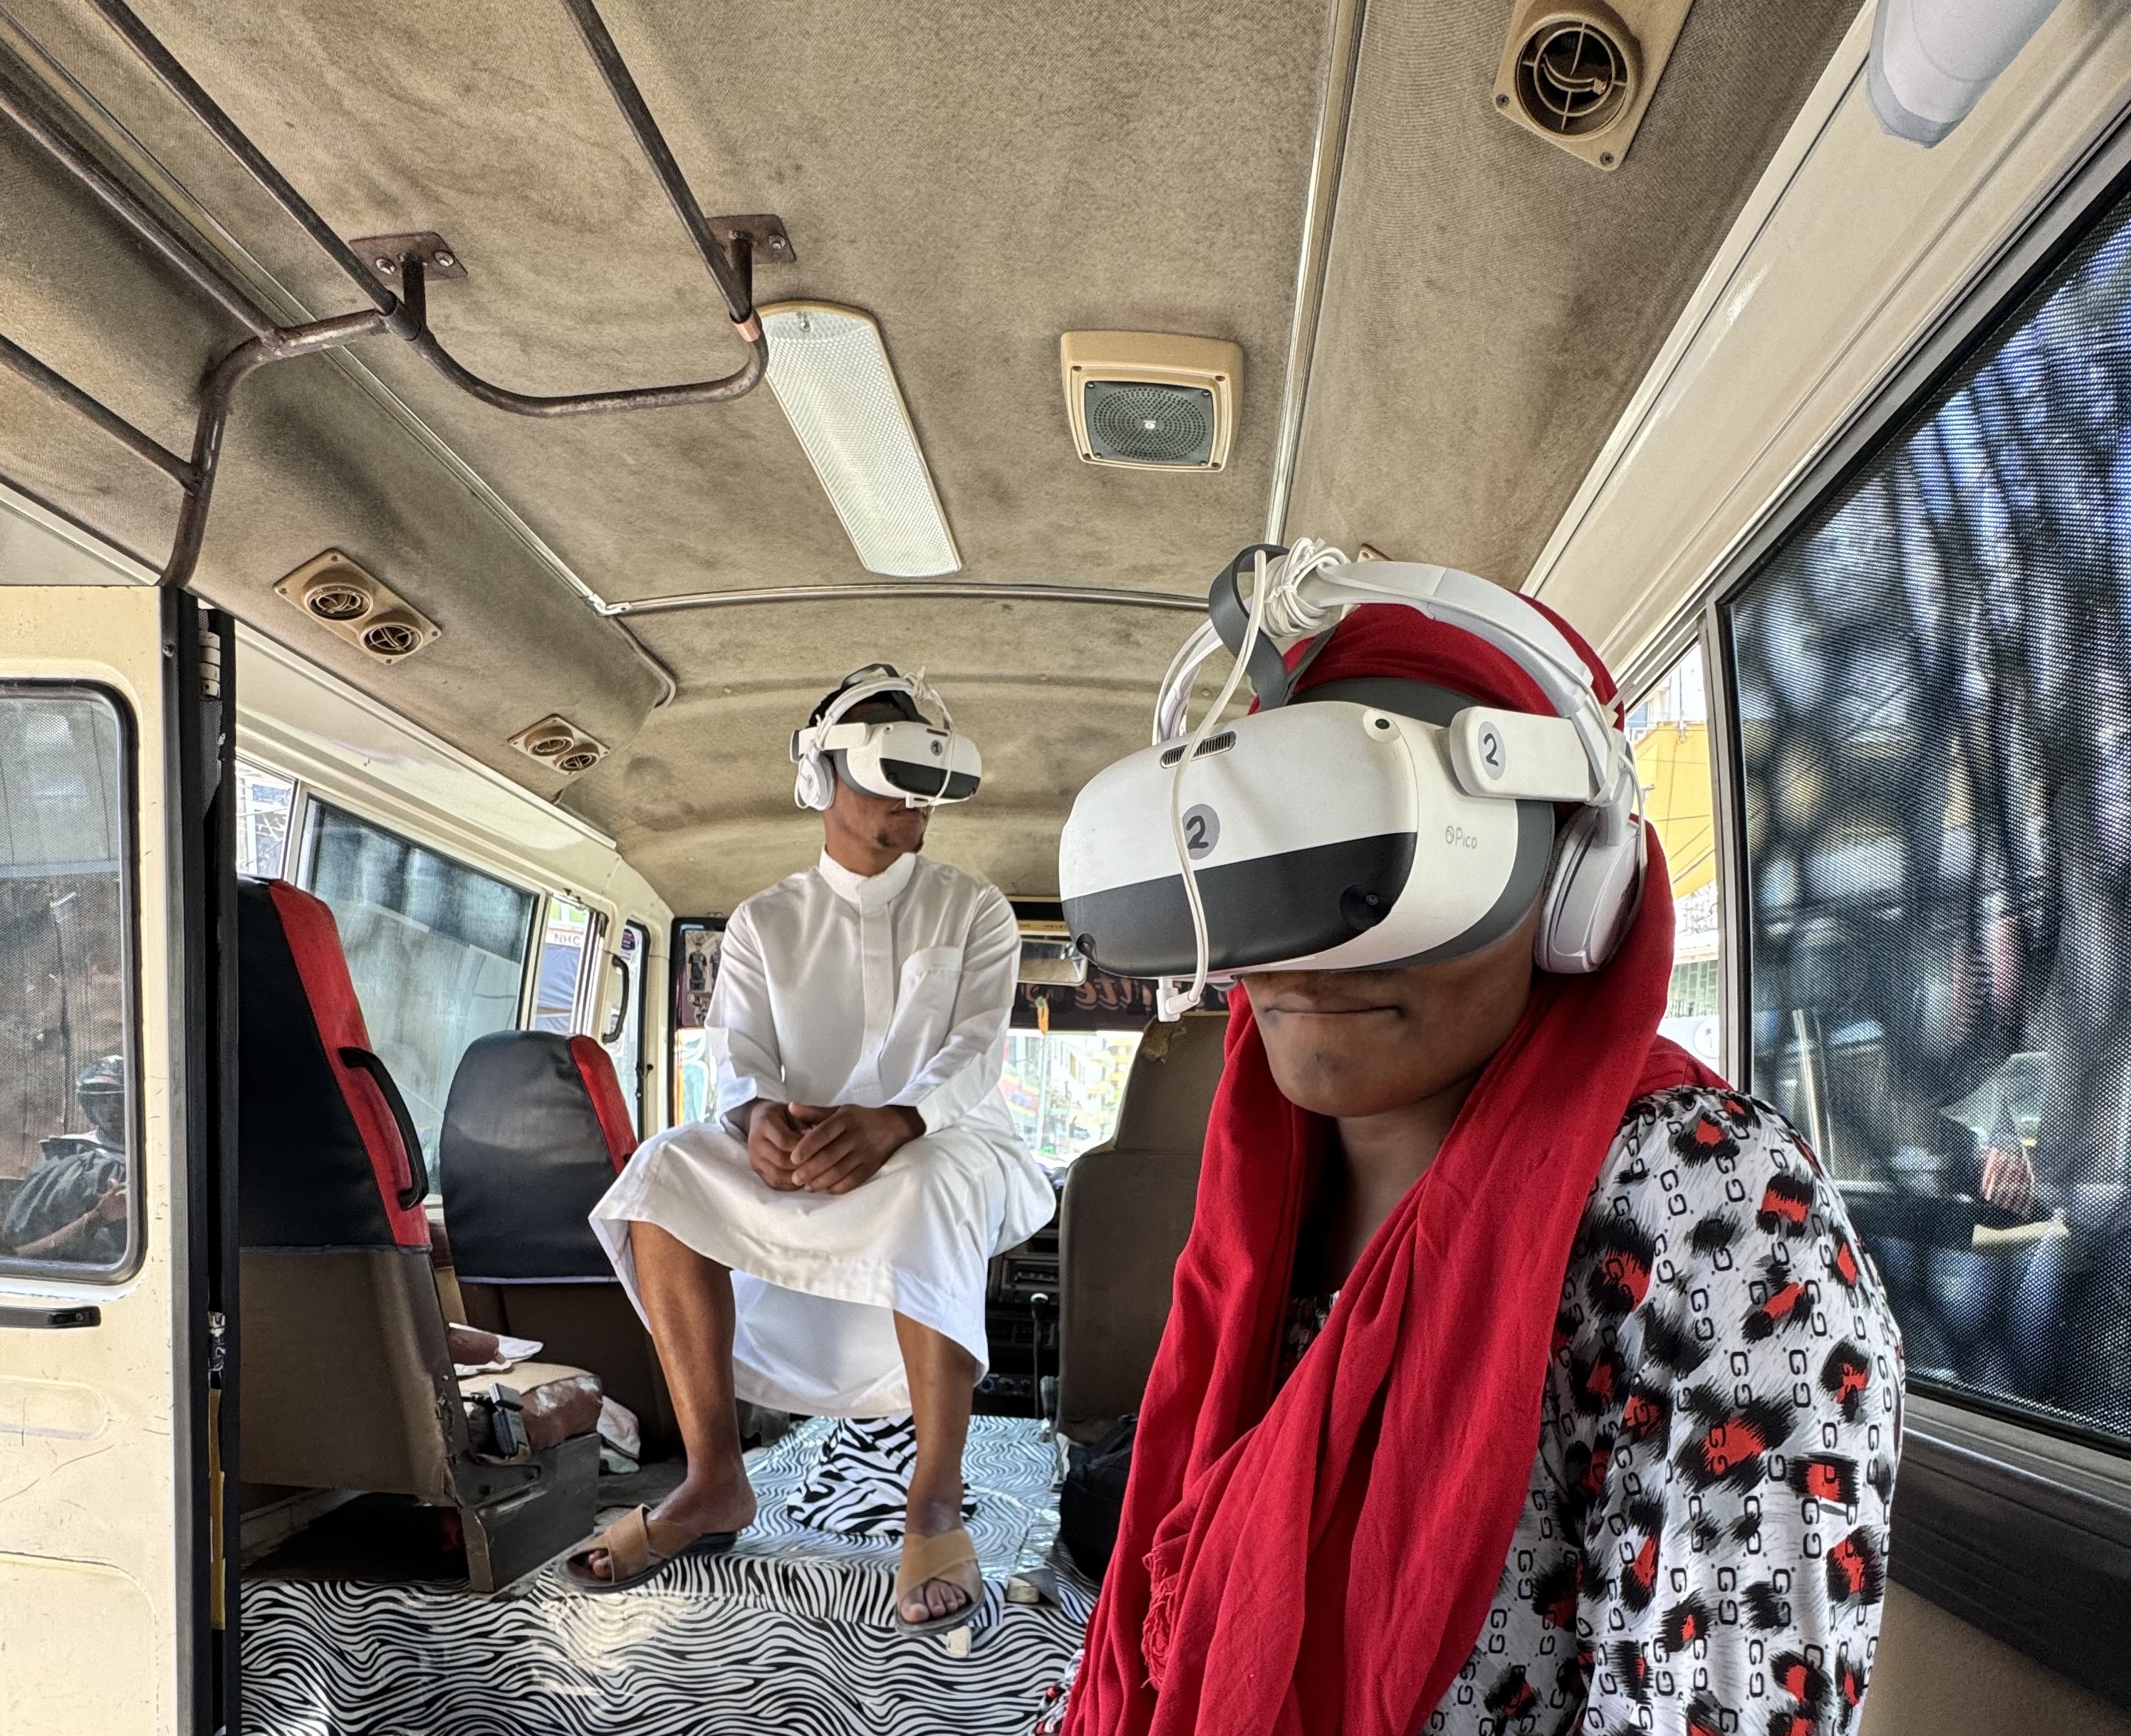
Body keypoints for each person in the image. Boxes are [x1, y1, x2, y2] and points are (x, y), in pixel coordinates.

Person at [1063, 602, 1905, 1736]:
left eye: (1392, 858)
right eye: (1281, 864)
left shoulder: (1713, 1203)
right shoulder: (1261, 1174)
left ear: (1572, 884)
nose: (1314, 946)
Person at [570, 666, 1054, 1631]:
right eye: (885, 774)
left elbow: (972, 1056)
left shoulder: (976, 909)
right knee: (661, 1170)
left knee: (925, 1181)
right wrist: (755, 1119)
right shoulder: (762, 920)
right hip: (796, 1145)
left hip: (946, 1138)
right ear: (821, 779)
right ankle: (714, 1480)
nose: (911, 799)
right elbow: (740, 1052)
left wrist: (896, 1119)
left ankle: (934, 1498)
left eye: (924, 776)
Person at [2, 1055, 128, 1264]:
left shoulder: (170, 1152)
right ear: (89, 1105)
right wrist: (99, 1216)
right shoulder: (68, 1163)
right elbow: (20, 1252)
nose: (111, 1109)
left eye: (119, 1099)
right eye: (101, 1100)